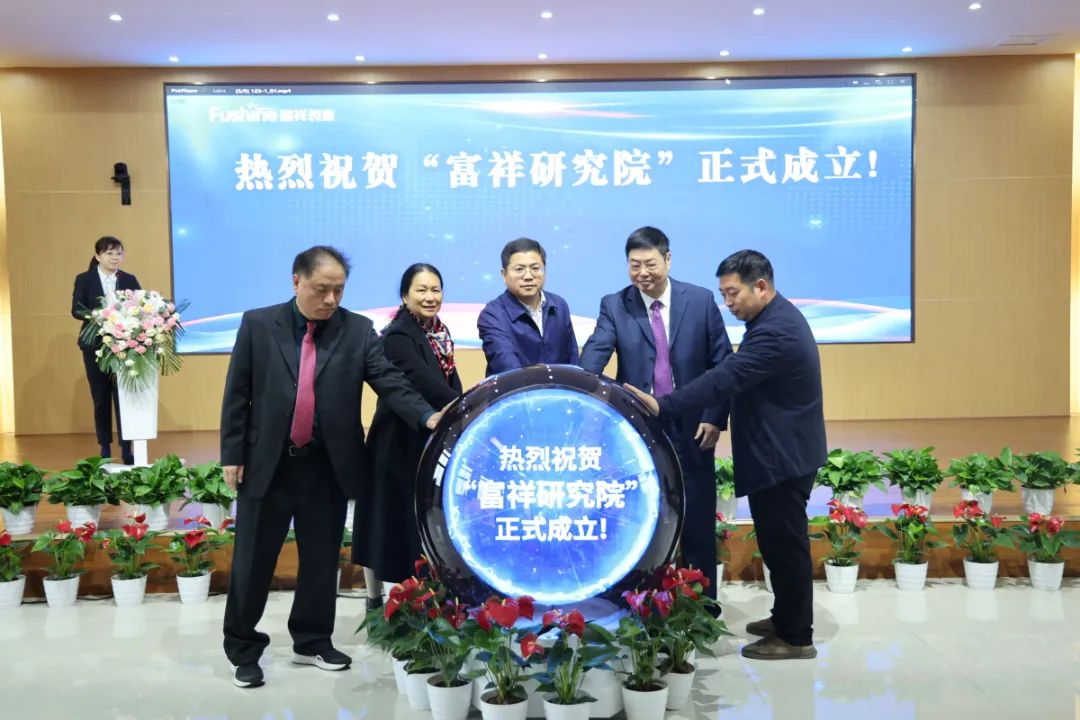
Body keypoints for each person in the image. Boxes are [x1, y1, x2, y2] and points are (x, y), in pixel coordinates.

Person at [220, 246, 445, 688]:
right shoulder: (259, 325)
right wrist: (232, 453)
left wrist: (426, 415)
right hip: (268, 464)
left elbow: (390, 381)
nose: (330, 299)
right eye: (322, 289)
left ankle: (311, 640)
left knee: (322, 560)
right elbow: (237, 392)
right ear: (296, 281)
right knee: (253, 562)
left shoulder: (357, 330)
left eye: (339, 290)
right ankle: (243, 648)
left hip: (326, 465)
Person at [624, 249, 826, 661]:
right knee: (776, 544)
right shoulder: (771, 319)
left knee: (785, 547)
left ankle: (795, 636)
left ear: (761, 287)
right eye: (724, 295)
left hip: (783, 458)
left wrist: (666, 405)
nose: (728, 303)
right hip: (780, 454)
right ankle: (785, 617)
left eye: (733, 294)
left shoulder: (775, 332)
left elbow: (725, 377)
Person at [580, 226, 732, 599]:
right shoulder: (615, 304)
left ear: (668, 259)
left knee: (697, 523)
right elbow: (596, 351)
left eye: (650, 263)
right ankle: (642, 604)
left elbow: (722, 363)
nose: (642, 273)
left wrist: (714, 416)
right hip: (638, 429)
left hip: (694, 426)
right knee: (639, 519)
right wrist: (580, 382)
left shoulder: (700, 300)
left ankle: (703, 608)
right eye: (634, 265)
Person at [354, 264, 463, 607]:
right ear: (405, 295)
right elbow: (424, 384)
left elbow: (450, 381)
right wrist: (467, 406)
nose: (430, 297)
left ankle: (422, 600)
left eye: (436, 289)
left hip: (427, 440)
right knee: (384, 525)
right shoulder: (399, 335)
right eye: (421, 290)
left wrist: (462, 403)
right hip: (397, 443)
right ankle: (377, 601)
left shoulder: (439, 332)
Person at [71, 236, 140, 465]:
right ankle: (105, 448)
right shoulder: (85, 279)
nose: (115, 258)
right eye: (109, 253)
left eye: (119, 253)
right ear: (98, 256)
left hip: (123, 347)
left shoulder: (129, 279)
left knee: (123, 398)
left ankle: (126, 448)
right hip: (94, 346)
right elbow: (77, 309)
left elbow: (139, 308)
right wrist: (101, 316)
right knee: (100, 398)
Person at [477, 237, 580, 375]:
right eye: (519, 269)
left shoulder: (559, 305)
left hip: (559, 388)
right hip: (515, 388)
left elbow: (573, 360)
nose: (528, 276)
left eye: (535, 268)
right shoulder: (492, 315)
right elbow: (507, 367)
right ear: (504, 274)